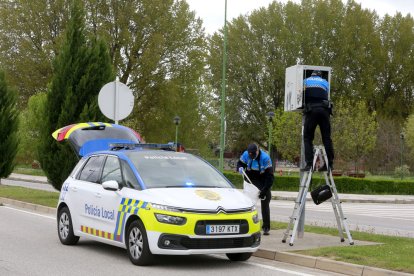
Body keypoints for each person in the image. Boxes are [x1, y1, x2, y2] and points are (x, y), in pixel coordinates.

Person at [236, 143, 274, 235]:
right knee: (247, 202)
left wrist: (264, 190)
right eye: (250, 154)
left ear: (257, 151)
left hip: (262, 178)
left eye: (253, 154)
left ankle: (266, 227)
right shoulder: (246, 154)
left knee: (266, 200)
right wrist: (239, 167)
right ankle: (243, 223)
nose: (252, 156)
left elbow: (270, 177)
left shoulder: (265, 158)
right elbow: (240, 163)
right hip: (250, 178)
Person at [303, 70, 334, 172]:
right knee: (326, 138)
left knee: (307, 137)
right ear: (320, 76)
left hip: (312, 110)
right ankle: (330, 164)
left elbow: (300, 94)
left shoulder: (305, 81)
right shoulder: (325, 82)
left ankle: (309, 164)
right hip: (324, 111)